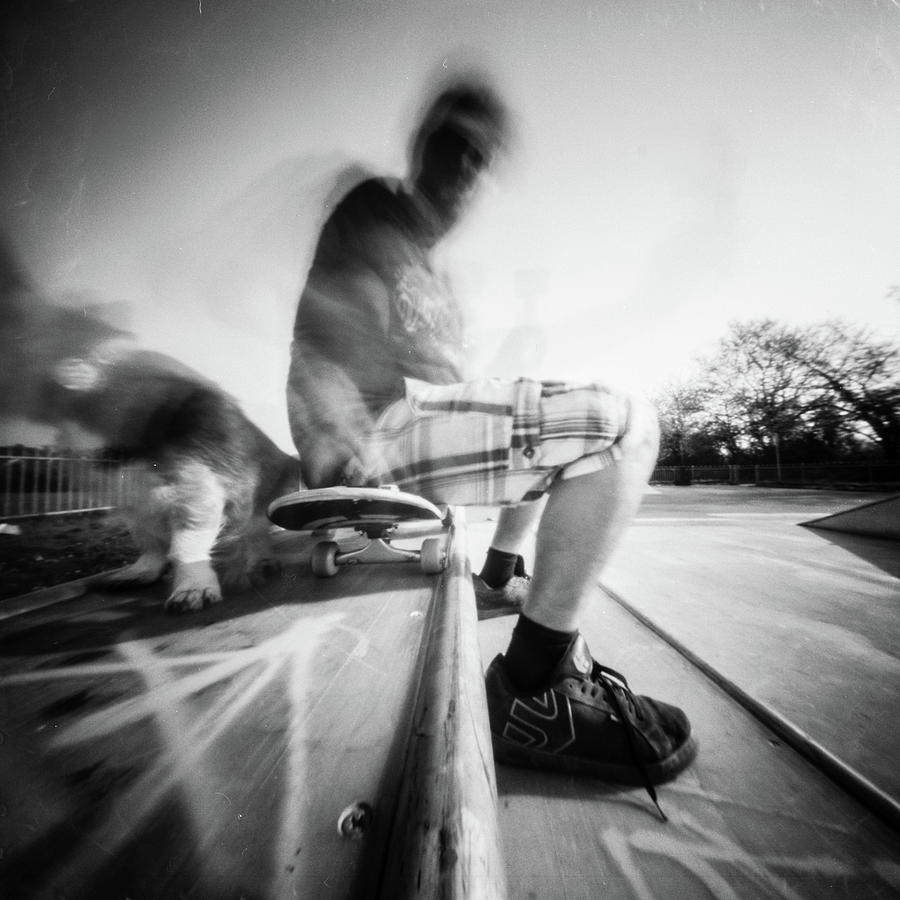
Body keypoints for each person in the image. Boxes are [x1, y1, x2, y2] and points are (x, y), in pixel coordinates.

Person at [286, 75, 696, 815]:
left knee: (540, 416)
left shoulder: (434, 278)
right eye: (455, 149)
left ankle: (500, 573)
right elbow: (327, 330)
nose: (467, 173)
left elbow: (461, 387)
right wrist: (342, 436)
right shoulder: (377, 211)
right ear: (424, 149)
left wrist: (511, 368)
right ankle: (534, 690)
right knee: (625, 421)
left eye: (482, 161)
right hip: (367, 433)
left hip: (398, 424)